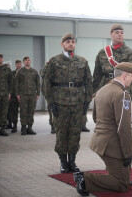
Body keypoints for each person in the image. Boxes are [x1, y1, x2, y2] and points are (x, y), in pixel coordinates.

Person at [73, 62, 132, 196]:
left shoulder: (102, 90)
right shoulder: (122, 94)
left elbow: (95, 117)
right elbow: (123, 127)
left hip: (99, 141)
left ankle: (122, 174)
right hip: (111, 144)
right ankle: (84, 179)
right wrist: (127, 153)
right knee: (122, 185)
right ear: (125, 75)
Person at [44, 33, 93, 173]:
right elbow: (46, 83)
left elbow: (88, 81)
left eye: (73, 41)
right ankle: (63, 163)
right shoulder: (54, 62)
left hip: (78, 102)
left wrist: (87, 100)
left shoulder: (82, 61)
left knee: (75, 132)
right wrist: (51, 102)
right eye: (67, 42)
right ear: (62, 44)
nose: (71, 44)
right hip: (60, 102)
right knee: (61, 132)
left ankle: (72, 162)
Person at [92, 24, 132, 123]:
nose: (120, 35)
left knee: (123, 117)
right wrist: (94, 92)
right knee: (105, 117)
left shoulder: (129, 52)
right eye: (117, 33)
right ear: (111, 34)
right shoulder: (103, 52)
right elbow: (97, 74)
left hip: (123, 88)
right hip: (105, 86)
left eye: (122, 33)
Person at [15, 56, 40, 135]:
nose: (27, 61)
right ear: (23, 62)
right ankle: (23, 127)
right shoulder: (20, 72)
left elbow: (38, 83)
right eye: (26, 60)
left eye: (29, 60)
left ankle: (30, 128)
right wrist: (17, 94)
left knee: (31, 111)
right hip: (23, 95)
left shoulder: (35, 71)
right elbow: (16, 84)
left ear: (30, 61)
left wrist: (38, 93)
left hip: (32, 95)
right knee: (23, 111)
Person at [7, 60, 22, 132]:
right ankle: (14, 126)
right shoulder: (12, 73)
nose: (18, 65)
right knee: (14, 111)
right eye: (17, 64)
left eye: (19, 64)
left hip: (23, 95)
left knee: (24, 111)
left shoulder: (24, 72)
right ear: (15, 65)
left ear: (21, 64)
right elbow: (9, 83)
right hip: (14, 95)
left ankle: (24, 126)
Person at [40, 61, 56, 134]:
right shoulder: (44, 71)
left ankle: (58, 126)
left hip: (58, 94)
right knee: (51, 111)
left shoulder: (56, 72)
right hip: (50, 95)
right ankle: (52, 126)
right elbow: (42, 74)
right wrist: (47, 65)